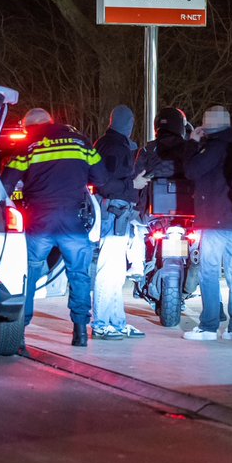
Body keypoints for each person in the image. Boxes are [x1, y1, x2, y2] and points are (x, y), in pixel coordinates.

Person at [1, 107, 106, 349]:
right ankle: (80, 332)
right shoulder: (81, 142)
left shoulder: (27, 146)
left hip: (39, 221)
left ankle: (20, 334)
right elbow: (101, 178)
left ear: (29, 127)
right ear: (51, 120)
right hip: (73, 219)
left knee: (28, 274)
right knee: (79, 275)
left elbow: (5, 184)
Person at [182, 105, 232, 341]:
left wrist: (192, 142)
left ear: (207, 126)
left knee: (209, 271)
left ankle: (209, 326)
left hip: (214, 217)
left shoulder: (214, 147)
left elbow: (191, 170)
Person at [91, 105, 146, 340]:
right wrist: (132, 185)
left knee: (114, 271)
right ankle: (102, 322)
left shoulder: (109, 143)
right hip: (114, 213)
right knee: (108, 270)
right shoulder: (115, 146)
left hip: (115, 213)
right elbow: (105, 183)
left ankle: (115, 321)